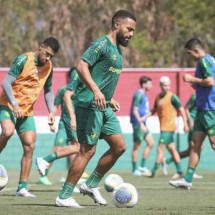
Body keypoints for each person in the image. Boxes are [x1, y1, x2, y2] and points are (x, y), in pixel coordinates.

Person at [55, 10, 137, 208]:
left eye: (133, 31)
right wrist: (97, 92)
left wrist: (109, 99)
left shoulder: (117, 50)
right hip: (89, 104)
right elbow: (81, 66)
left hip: (103, 105)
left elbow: (101, 78)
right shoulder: (101, 44)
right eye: (129, 29)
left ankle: (90, 185)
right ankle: (64, 196)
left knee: (119, 147)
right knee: (87, 150)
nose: (131, 34)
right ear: (117, 25)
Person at [0, 37, 60, 197]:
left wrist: (51, 111)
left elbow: (48, 90)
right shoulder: (23, 59)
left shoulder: (48, 67)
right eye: (46, 54)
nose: (47, 58)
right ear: (41, 46)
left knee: (29, 145)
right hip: (7, 104)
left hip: (26, 111)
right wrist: (15, 105)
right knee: (7, 131)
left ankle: (22, 188)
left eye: (50, 56)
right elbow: (5, 83)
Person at [169, 38, 215, 189]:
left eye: (190, 54)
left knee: (214, 144)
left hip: (210, 110)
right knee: (195, 145)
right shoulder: (208, 60)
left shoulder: (204, 61)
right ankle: (187, 180)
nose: (190, 57)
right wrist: (196, 83)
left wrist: (191, 78)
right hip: (202, 110)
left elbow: (210, 81)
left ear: (196, 51)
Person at [37, 67, 87, 186]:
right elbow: (55, 106)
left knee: (75, 150)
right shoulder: (64, 90)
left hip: (77, 125)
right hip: (64, 125)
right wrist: (51, 120)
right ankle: (43, 175)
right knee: (57, 148)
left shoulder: (82, 90)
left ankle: (72, 177)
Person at [142, 76, 189, 178]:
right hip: (163, 127)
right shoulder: (158, 97)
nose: (167, 87)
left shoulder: (173, 97)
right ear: (160, 86)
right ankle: (180, 171)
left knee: (160, 149)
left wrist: (185, 123)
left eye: (169, 85)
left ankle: (153, 171)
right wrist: (145, 116)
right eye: (165, 85)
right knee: (172, 149)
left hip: (168, 128)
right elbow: (154, 109)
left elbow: (181, 110)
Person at [162, 92, 203, 179]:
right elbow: (186, 109)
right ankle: (191, 171)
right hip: (194, 124)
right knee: (196, 147)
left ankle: (167, 161)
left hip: (200, 124)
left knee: (191, 150)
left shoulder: (206, 94)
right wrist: (190, 121)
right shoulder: (195, 95)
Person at [130, 76, 154, 176]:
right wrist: (140, 123)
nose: (151, 85)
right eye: (149, 83)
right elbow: (134, 111)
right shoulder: (139, 94)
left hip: (143, 123)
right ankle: (135, 169)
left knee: (151, 143)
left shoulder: (144, 95)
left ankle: (142, 166)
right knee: (137, 146)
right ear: (144, 84)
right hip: (138, 124)